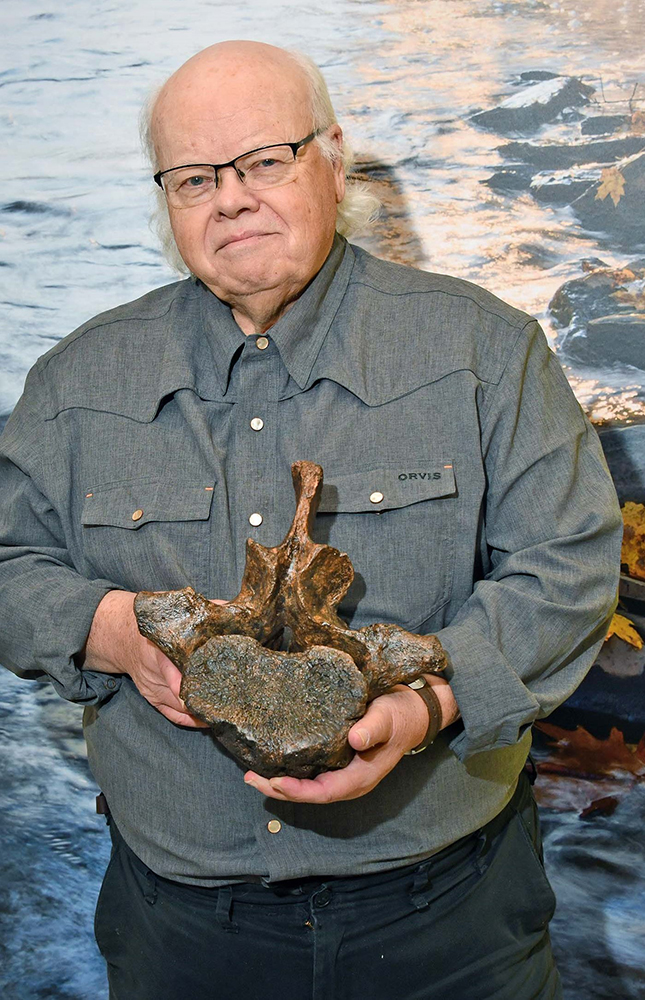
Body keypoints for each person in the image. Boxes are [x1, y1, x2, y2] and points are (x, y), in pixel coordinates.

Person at [0, 40, 622, 1000]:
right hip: (183, 934)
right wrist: (107, 632)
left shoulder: (483, 352)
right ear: (166, 201)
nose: (231, 198)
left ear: (332, 159)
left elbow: (568, 566)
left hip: (449, 923)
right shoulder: (76, 383)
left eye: (263, 160)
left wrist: (428, 708)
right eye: (194, 176)